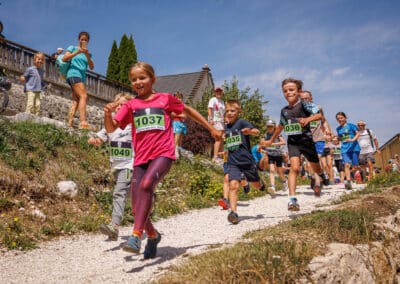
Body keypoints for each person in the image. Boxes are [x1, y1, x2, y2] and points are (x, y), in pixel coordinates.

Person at [104, 62, 221, 258]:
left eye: (142, 78)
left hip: (163, 154)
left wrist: (211, 128)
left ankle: (135, 234)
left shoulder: (165, 99)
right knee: (135, 206)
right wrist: (107, 113)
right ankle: (153, 235)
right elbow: (111, 128)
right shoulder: (130, 105)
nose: (138, 82)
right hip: (140, 158)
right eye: (134, 80)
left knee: (147, 185)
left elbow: (188, 110)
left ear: (152, 79)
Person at [263, 78, 326, 211]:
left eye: (291, 90)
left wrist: (308, 119)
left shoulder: (305, 105)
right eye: (285, 91)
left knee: (316, 167)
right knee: (295, 168)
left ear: (298, 92)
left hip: (306, 141)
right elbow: (280, 126)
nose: (288, 93)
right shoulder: (284, 111)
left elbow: (319, 116)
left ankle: (321, 175)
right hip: (293, 142)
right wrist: (270, 140)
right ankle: (292, 200)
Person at [88, 93, 134, 240]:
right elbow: (100, 137)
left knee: (119, 192)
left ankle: (114, 227)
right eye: (117, 104)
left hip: (130, 165)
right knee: (130, 196)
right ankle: (147, 203)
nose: (120, 107)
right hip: (116, 166)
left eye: (124, 105)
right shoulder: (110, 125)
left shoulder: (133, 125)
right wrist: (94, 140)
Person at [223, 99, 265, 224]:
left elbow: (257, 132)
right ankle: (233, 212)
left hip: (246, 161)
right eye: (227, 111)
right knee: (233, 185)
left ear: (239, 112)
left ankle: (261, 184)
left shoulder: (241, 123)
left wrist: (250, 131)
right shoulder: (226, 128)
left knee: (256, 185)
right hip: (233, 162)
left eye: (232, 110)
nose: (229, 113)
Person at [62, 31, 94, 130]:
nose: (83, 41)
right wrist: (78, 52)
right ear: (78, 39)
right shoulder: (72, 48)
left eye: (85, 40)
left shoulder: (88, 54)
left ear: (88, 41)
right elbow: (64, 58)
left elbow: (92, 67)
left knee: (76, 101)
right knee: (84, 96)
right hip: (73, 74)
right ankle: (83, 122)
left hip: (82, 78)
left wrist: (87, 55)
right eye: (82, 39)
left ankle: (69, 123)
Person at [300, 90, 331, 186]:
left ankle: (317, 178)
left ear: (311, 98)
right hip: (306, 139)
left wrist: (327, 129)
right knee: (309, 163)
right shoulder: (298, 110)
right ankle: (319, 176)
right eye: (302, 99)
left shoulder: (317, 108)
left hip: (318, 138)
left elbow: (323, 120)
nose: (305, 100)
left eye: (306, 98)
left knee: (317, 158)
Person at [259, 119, 288, 195]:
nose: (269, 128)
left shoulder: (277, 134)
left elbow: (283, 142)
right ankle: (273, 187)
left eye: (271, 126)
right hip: (270, 155)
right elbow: (261, 145)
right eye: (268, 126)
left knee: (279, 171)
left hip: (278, 154)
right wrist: (262, 149)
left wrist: (272, 144)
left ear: (274, 126)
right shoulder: (265, 135)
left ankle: (284, 181)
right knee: (271, 170)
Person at [335, 112, 360, 190]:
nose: (340, 120)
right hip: (344, 149)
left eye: (341, 118)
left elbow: (358, 134)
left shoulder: (351, 125)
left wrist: (352, 140)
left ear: (345, 118)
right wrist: (336, 140)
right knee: (346, 165)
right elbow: (340, 138)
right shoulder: (338, 129)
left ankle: (354, 174)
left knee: (355, 166)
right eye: (338, 119)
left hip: (354, 147)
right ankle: (348, 181)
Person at [208, 87, 225, 164]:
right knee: (218, 138)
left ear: (222, 92)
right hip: (215, 120)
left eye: (220, 91)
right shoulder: (213, 99)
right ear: (215, 92)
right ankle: (215, 157)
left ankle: (220, 156)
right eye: (217, 91)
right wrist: (211, 119)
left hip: (222, 122)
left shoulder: (222, 102)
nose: (218, 93)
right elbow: (209, 109)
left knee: (222, 139)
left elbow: (223, 113)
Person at [171, 91, 187, 159]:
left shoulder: (183, 106)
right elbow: (172, 114)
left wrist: (179, 115)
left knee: (180, 138)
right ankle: (174, 150)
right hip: (176, 122)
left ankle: (179, 153)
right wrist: (180, 115)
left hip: (182, 123)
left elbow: (185, 116)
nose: (178, 99)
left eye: (180, 98)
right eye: (177, 97)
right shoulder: (173, 105)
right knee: (176, 136)